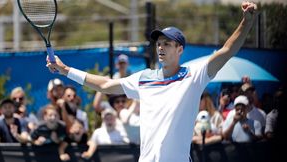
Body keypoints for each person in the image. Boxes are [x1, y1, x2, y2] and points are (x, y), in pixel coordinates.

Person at [46, 1, 258, 162]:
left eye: (167, 43)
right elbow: (104, 85)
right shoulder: (144, 78)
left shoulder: (194, 75)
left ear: (180, 49)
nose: (160, 48)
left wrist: (246, 22)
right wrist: (66, 71)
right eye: (158, 43)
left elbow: (227, 51)